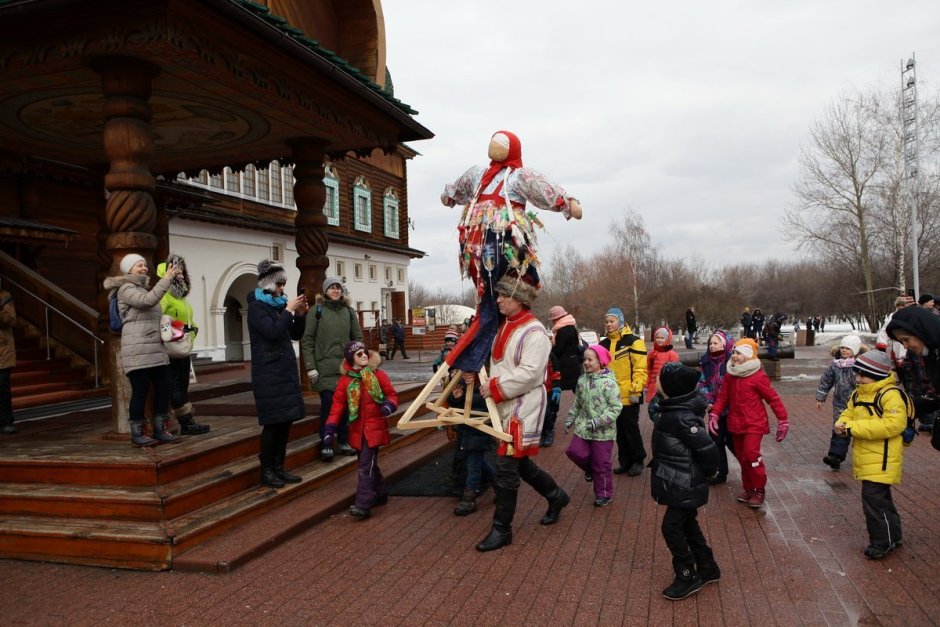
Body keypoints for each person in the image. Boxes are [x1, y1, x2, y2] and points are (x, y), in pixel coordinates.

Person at [440, 130, 581, 377]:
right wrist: (449, 196)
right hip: (475, 247)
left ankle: (486, 348)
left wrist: (566, 203)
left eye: (501, 144)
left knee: (508, 290)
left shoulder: (518, 177)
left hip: (503, 241)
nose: (495, 147)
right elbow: (458, 188)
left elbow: (542, 189)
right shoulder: (477, 174)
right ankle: (482, 350)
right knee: (489, 297)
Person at [471, 273, 569, 552]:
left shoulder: (535, 332)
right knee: (519, 463)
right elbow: (498, 362)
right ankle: (556, 495)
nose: (498, 299)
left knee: (506, 467)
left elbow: (530, 373)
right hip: (503, 403)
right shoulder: (504, 326)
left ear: (519, 299)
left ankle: (502, 529)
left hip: (523, 407)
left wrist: (495, 387)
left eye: (504, 295)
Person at [651, 362, 721, 600]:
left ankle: (686, 574)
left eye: (660, 378)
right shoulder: (672, 410)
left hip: (685, 483)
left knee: (671, 527)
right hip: (678, 481)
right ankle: (708, 567)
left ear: (670, 388)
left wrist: (710, 472)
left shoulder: (680, 418)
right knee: (688, 525)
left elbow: (708, 449)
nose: (656, 381)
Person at [833, 350, 912, 559]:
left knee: (873, 501)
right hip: (867, 457)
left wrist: (852, 427)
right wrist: (841, 422)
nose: (858, 379)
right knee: (881, 499)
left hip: (883, 459)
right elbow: (848, 411)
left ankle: (881, 542)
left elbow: (893, 424)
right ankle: (893, 535)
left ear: (877, 375)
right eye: (857, 374)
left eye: (862, 375)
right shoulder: (859, 393)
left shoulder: (890, 395)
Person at [104, 253, 182, 447]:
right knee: (140, 391)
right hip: (138, 350)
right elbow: (146, 301)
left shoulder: (143, 288)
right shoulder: (125, 288)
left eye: (145, 265)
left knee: (164, 388)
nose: (144, 268)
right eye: (139, 265)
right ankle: (137, 432)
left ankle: (160, 428)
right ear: (128, 269)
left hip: (155, 348)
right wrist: (166, 279)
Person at [247, 260, 308, 488]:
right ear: (268, 284)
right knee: (273, 424)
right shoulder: (256, 308)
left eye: (284, 283)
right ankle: (267, 471)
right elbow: (272, 333)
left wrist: (300, 315)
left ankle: (279, 467)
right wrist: (289, 310)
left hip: (284, 373)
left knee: (285, 422)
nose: (283, 288)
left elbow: (294, 334)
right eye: (280, 283)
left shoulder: (278, 305)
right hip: (268, 374)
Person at [708, 338, 789, 508]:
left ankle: (759, 489)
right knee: (743, 458)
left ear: (749, 356)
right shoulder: (731, 375)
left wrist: (783, 420)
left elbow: (772, 398)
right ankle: (749, 488)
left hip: (754, 423)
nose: (735, 356)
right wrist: (715, 413)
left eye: (739, 353)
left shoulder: (758, 376)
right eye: (734, 352)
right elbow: (723, 397)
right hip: (736, 423)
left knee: (752, 456)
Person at [323, 344, 398, 518]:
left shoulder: (377, 375)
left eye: (365, 352)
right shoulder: (346, 381)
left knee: (365, 466)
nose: (364, 355)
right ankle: (380, 493)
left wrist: (388, 406)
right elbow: (337, 406)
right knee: (368, 464)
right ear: (351, 359)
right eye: (359, 353)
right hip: (357, 430)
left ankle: (363, 504)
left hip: (374, 428)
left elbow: (392, 395)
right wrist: (330, 428)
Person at [301, 276, 363, 460]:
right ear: (325, 291)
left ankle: (343, 441)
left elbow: (358, 338)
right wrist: (311, 367)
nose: (336, 290)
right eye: (332, 288)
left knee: (346, 407)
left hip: (346, 369)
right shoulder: (316, 311)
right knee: (329, 407)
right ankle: (326, 443)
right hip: (325, 370)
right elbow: (307, 340)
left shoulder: (349, 312)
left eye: (338, 288)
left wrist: (358, 361)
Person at [157, 254, 210, 435]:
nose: (179, 273)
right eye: (175, 269)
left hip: (183, 348)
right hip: (171, 350)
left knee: (183, 385)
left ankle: (185, 421)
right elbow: (160, 322)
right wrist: (176, 335)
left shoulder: (180, 298)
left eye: (181, 269)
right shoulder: (164, 297)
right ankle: (185, 422)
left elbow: (189, 321)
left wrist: (192, 332)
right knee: (176, 386)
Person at [563, 344, 620, 507]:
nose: (586, 362)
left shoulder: (609, 383)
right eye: (584, 359)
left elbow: (616, 407)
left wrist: (599, 421)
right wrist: (570, 419)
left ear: (600, 361)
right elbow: (578, 403)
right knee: (574, 452)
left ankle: (604, 493)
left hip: (603, 431)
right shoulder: (582, 380)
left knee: (601, 463)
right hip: (584, 427)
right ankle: (590, 469)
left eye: (590, 359)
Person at [599, 307, 648, 476]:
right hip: (611, 396)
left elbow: (641, 368)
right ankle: (625, 461)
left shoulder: (634, 341)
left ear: (619, 321)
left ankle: (638, 460)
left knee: (630, 428)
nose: (608, 324)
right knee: (618, 430)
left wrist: (637, 389)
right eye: (606, 322)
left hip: (630, 394)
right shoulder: (603, 344)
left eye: (611, 321)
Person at [885, 305, 940, 451]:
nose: (905, 345)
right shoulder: (931, 353)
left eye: (906, 339)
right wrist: (912, 407)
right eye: (901, 342)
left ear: (921, 332)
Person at [448, 376, 495, 516]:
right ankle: (499, 484)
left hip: (481, 426)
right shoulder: (464, 380)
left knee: (473, 463)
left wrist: (469, 397)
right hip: (466, 427)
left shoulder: (487, 378)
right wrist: (457, 397)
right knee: (475, 461)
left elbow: (490, 401)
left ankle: (469, 498)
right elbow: (452, 401)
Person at [816, 334, 864, 470]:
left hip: (859, 404)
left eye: (848, 348)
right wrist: (820, 397)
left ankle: (863, 457)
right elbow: (826, 381)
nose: (843, 350)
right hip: (840, 404)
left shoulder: (860, 365)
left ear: (855, 350)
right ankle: (835, 456)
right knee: (840, 428)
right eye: (842, 347)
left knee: (860, 430)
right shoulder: (835, 366)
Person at [697, 330, 735, 485]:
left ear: (724, 344)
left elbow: (734, 386)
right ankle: (721, 472)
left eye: (715, 343)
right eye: (710, 343)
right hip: (714, 411)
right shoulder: (706, 362)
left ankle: (748, 467)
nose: (712, 346)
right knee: (715, 442)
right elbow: (702, 383)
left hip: (731, 410)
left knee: (733, 442)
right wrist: (708, 402)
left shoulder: (732, 361)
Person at [546, 304, 581, 446]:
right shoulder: (571, 327)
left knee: (556, 391)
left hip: (565, 367)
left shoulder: (563, 330)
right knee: (578, 391)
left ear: (557, 318)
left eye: (553, 319)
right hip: (573, 365)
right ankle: (584, 413)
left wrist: (551, 347)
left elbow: (558, 350)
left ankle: (552, 418)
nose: (553, 322)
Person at [876, 296, 915, 368]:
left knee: (910, 366)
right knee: (897, 367)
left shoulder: (912, 315)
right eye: (898, 305)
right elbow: (885, 329)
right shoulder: (892, 316)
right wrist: (882, 343)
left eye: (902, 305)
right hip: (895, 344)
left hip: (910, 344)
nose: (900, 307)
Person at [645, 326, 680, 403]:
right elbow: (648, 370)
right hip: (653, 386)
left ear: (667, 339)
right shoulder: (652, 353)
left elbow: (675, 373)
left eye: (662, 338)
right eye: (657, 337)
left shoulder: (672, 354)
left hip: (666, 387)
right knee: (653, 408)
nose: (659, 340)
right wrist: (647, 385)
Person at [0, 284, 16, 435]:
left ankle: (6, 421)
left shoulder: (4, 296)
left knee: (2, 388)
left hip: (3, 352)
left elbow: (10, 319)